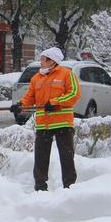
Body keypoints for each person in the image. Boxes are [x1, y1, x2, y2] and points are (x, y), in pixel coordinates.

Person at [10, 47, 81, 191]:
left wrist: (55, 102)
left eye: (44, 59)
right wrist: (20, 105)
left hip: (62, 123)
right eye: (41, 59)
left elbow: (74, 94)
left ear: (52, 61)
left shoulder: (66, 74)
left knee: (66, 158)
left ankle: (70, 187)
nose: (41, 62)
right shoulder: (37, 78)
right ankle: (40, 187)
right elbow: (30, 97)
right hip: (44, 124)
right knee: (40, 159)